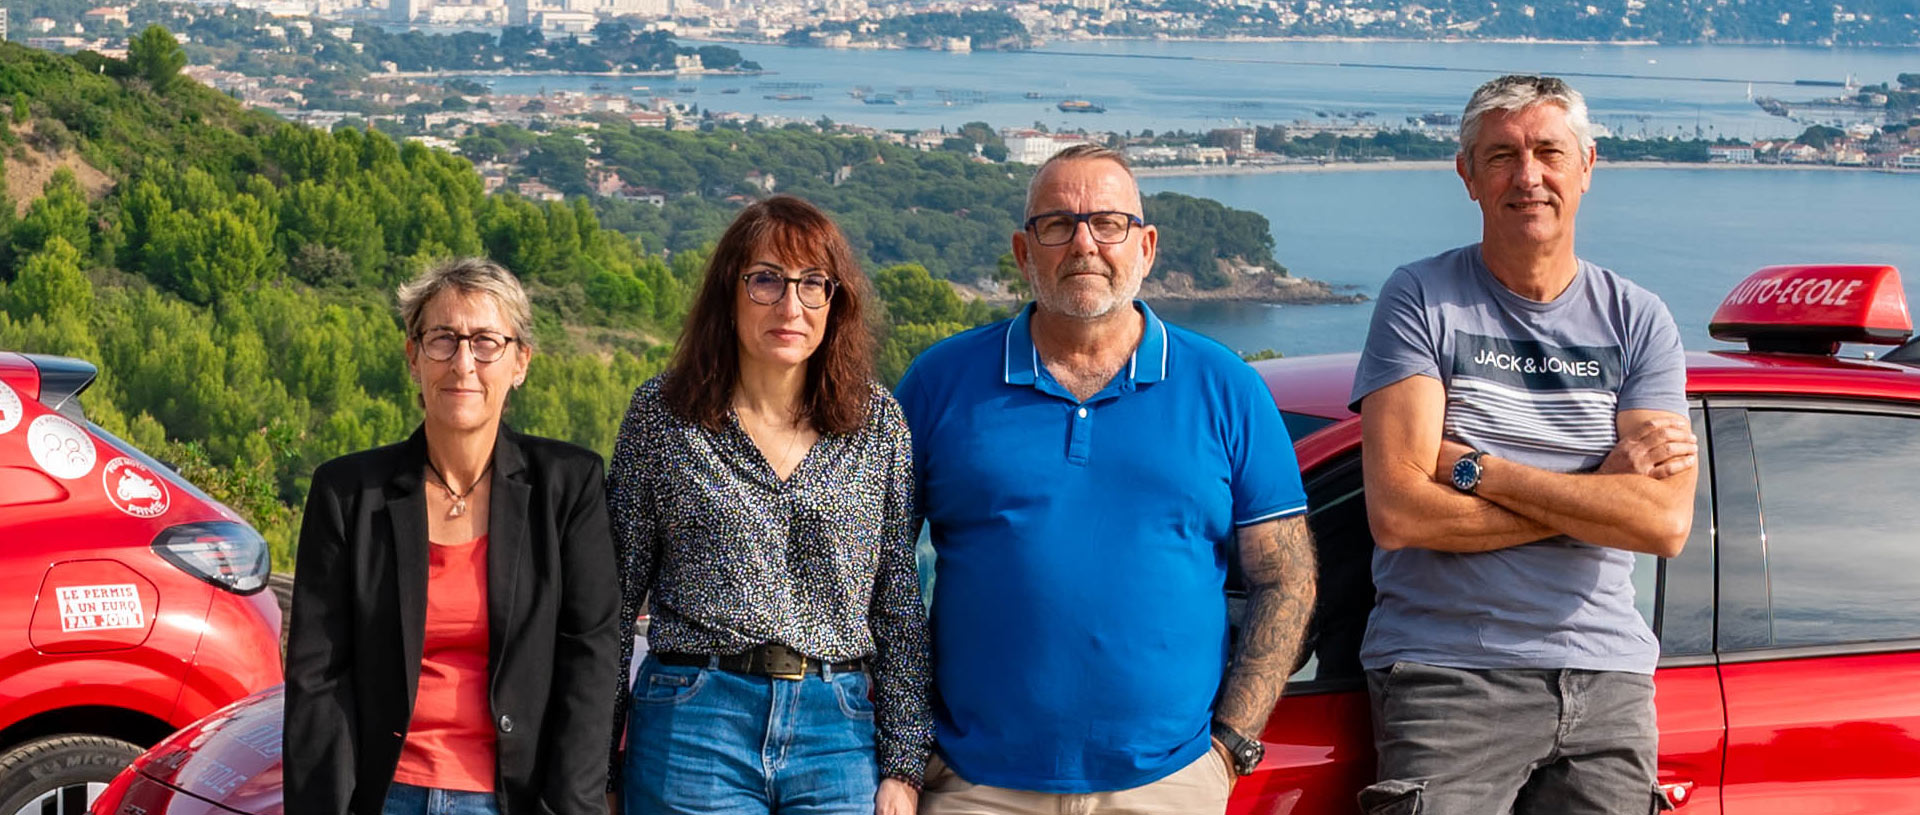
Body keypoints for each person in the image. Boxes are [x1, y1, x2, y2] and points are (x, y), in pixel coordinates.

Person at [894, 144, 1319, 815]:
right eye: (1057, 224)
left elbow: (1286, 576)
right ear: (1022, 251)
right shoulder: (940, 383)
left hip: (1168, 783)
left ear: (1146, 246)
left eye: (1108, 224)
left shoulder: (1227, 386)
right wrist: (908, 742)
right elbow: (872, 573)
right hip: (976, 783)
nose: (1085, 244)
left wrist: (1231, 743)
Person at [1350, 75, 1698, 815]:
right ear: (1467, 175)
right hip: (1450, 675)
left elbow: (1662, 524)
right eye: (1502, 156)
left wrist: (1481, 469)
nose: (1528, 176)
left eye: (1548, 151)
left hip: (1608, 681)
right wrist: (1599, 493)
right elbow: (1401, 514)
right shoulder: (1420, 300)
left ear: (1587, 167)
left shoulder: (1640, 320)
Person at [606, 195, 932, 815]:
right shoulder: (662, 418)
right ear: (728, 293)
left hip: (836, 730)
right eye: (766, 281)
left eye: (814, 284)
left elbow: (897, 601)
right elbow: (615, 604)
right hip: (693, 721)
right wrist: (600, 767)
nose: (791, 306)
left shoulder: (877, 424)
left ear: (836, 303)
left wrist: (903, 766)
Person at [285, 258, 622, 815]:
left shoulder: (570, 485)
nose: (463, 363)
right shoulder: (346, 493)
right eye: (443, 339)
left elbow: (590, 661)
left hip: (515, 799)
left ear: (520, 362)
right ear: (413, 356)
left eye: (487, 342)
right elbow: (317, 677)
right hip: (386, 795)